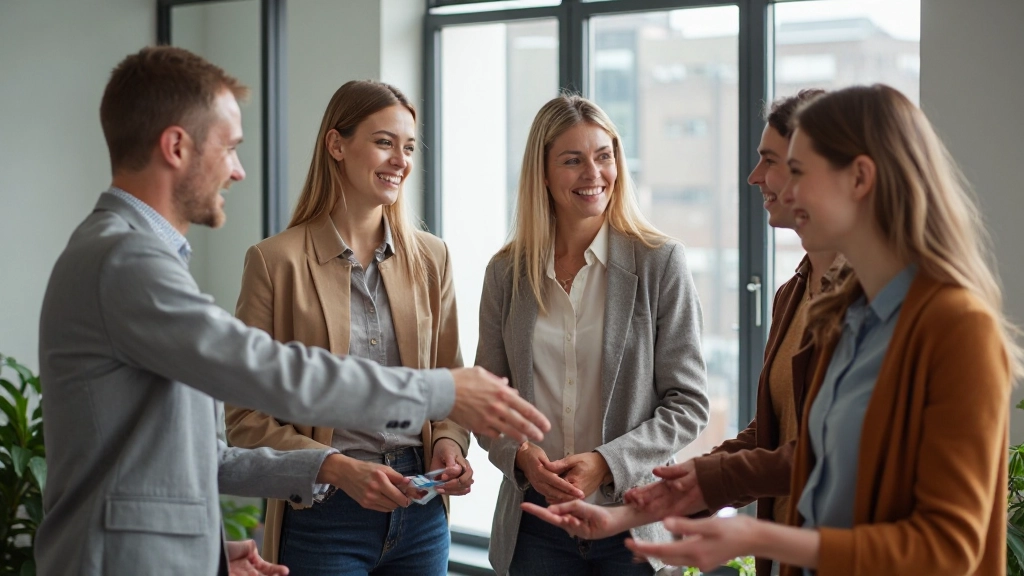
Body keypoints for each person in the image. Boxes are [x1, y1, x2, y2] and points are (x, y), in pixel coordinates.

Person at [35, 46, 548, 576]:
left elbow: (192, 455)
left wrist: (207, 556)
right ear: (175, 146)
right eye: (229, 147)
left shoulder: (130, 253)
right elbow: (264, 371)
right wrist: (442, 390)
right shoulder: (127, 260)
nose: (237, 170)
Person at [621, 85, 1020, 575]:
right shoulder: (846, 316)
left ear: (860, 178)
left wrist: (758, 534)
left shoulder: (958, 328)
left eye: (800, 173)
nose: (784, 192)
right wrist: (665, 498)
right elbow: (807, 462)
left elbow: (949, 549)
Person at [225, 80, 471, 575]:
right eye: (384, 142)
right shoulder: (275, 263)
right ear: (336, 145)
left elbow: (451, 381)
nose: (400, 160)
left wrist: (449, 442)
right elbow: (244, 416)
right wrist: (337, 468)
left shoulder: (432, 257)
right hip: (323, 512)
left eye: (408, 147)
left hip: (420, 512)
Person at [475, 94, 710, 576]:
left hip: (630, 525)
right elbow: (485, 404)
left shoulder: (659, 262)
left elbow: (689, 403)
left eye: (604, 156)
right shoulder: (506, 273)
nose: (593, 173)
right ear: (542, 172)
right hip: (534, 527)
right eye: (572, 160)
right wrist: (521, 457)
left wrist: (606, 462)